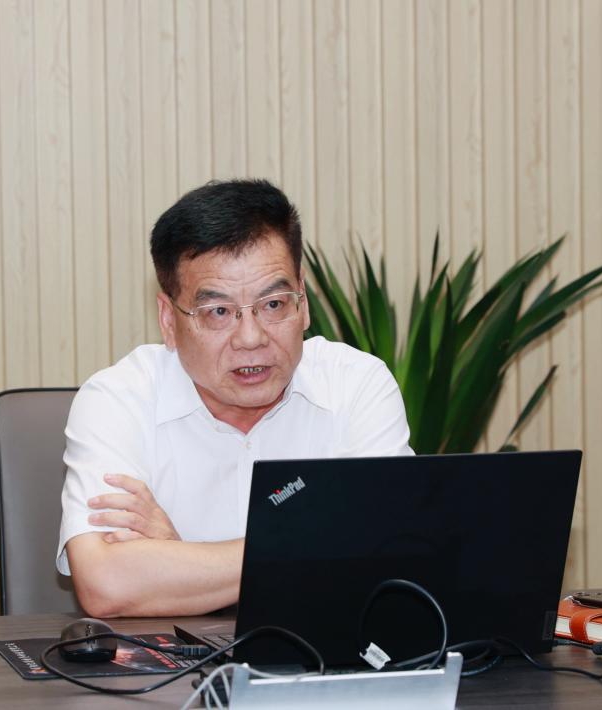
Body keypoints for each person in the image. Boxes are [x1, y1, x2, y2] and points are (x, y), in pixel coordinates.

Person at [58, 179, 413, 617]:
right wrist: (321, 545)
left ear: (303, 302)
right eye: (219, 312)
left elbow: (392, 561)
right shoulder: (118, 400)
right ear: (168, 320)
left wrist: (179, 555)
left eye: (274, 304)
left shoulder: (357, 386)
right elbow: (107, 584)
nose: (251, 338)